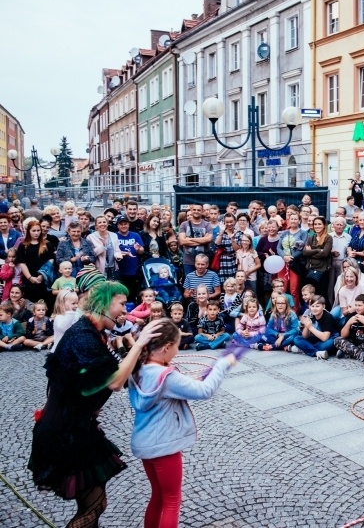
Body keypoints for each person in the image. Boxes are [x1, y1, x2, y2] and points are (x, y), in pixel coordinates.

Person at [28, 282, 161, 527]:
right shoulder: (83, 335)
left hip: (77, 427)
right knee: (94, 505)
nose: (125, 310)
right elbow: (116, 381)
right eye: (121, 303)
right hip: (64, 434)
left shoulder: (94, 333)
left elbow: (96, 378)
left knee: (94, 505)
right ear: (103, 304)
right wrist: (140, 344)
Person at [128, 318, 236, 528]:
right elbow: (204, 391)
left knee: (158, 496)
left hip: (144, 444)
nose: (177, 352)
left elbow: (172, 385)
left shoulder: (138, 368)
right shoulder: (166, 376)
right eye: (176, 347)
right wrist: (222, 365)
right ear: (166, 347)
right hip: (164, 447)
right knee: (171, 500)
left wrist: (191, 378)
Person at [17, 219, 57, 306]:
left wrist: (42, 274)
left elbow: (51, 260)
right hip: (29, 279)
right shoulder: (23, 245)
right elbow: (22, 263)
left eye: (38, 230)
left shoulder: (47, 244)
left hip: (44, 279)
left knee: (46, 304)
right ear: (29, 231)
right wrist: (30, 277)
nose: (36, 233)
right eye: (34, 231)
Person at [335, 293, 364, 362]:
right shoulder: (352, 315)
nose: (357, 308)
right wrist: (348, 323)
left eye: (359, 305)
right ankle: (361, 355)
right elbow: (343, 335)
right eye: (356, 305)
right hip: (353, 342)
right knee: (337, 340)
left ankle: (348, 353)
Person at [178, 203, 213, 276]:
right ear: (191, 210)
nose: (196, 211)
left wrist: (189, 240)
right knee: (190, 284)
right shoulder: (184, 224)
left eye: (198, 210)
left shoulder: (207, 224)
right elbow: (182, 241)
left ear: (202, 211)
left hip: (203, 262)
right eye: (194, 209)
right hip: (188, 261)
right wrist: (203, 240)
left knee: (203, 285)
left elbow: (209, 239)